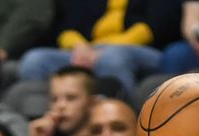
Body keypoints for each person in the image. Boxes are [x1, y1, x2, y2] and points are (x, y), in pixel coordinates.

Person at [17, 0, 181, 92]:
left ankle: (115, 118)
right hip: (89, 50)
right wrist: (80, 47)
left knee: (112, 58)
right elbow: (66, 27)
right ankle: (51, 119)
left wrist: (101, 49)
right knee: (35, 60)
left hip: (144, 50)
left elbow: (152, 27)